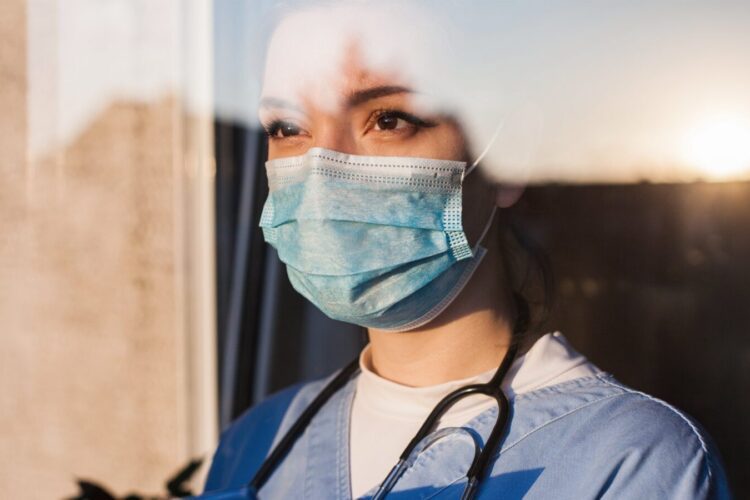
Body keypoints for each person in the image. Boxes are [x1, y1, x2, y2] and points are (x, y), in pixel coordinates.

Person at [196, 1, 732, 498]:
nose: (322, 170)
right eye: (288, 127)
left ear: (510, 155)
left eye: (388, 119)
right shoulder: (256, 443)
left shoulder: (631, 462)